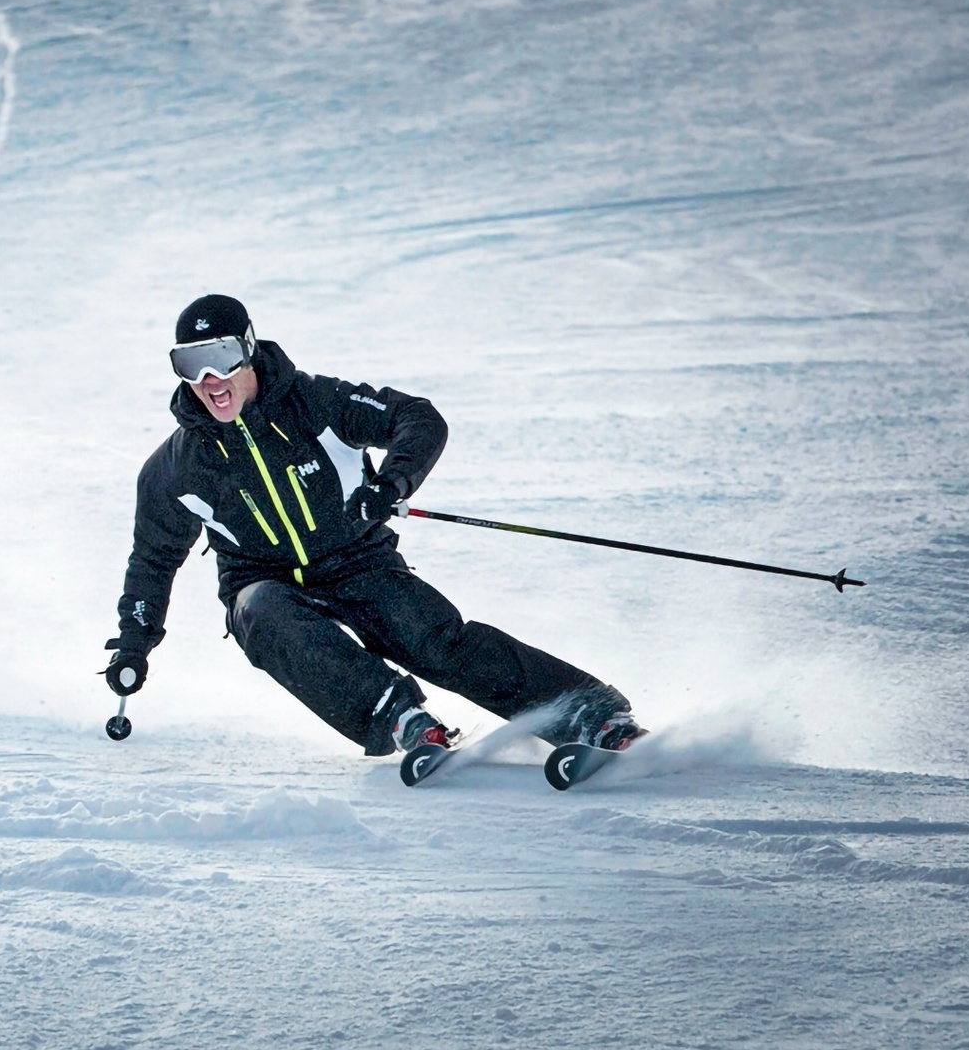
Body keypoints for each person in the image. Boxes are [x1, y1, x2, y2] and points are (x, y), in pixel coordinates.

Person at [103, 293, 644, 759]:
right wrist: (134, 642)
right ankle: (399, 718)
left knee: (436, 642)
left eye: (219, 357)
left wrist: (392, 484)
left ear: (247, 349)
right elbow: (152, 560)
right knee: (260, 613)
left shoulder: (316, 402)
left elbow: (417, 417)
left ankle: (590, 716)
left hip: (359, 560)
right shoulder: (176, 467)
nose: (208, 380)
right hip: (262, 583)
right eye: (190, 363)